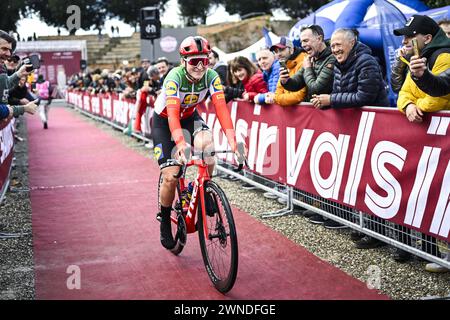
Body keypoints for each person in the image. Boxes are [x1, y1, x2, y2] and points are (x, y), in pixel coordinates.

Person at [152, 36, 245, 249]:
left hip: (190, 118)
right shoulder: (174, 77)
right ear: (184, 61)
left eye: (204, 60)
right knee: (171, 175)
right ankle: (165, 220)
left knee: (207, 145)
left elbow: (222, 110)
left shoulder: (211, 76)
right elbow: (173, 115)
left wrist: (233, 143)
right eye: (194, 61)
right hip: (166, 121)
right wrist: (181, 143)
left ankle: (201, 186)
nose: (200, 66)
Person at [310, 28, 389, 109]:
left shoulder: (366, 62)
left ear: (352, 43)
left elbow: (365, 97)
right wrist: (323, 103)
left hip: (373, 119)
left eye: (338, 45)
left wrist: (330, 99)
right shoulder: (337, 65)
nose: (335, 50)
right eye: (332, 46)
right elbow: (339, 96)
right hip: (351, 119)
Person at [394, 15, 450, 123]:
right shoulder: (416, 56)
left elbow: (439, 100)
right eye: (404, 36)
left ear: (428, 38)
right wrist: (408, 105)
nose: (404, 41)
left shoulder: (444, 56)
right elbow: (404, 92)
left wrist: (414, 105)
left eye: (409, 36)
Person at [280, 25, 335, 103]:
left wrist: (308, 68)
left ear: (319, 39)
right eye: (301, 42)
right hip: (314, 111)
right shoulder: (310, 58)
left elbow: (316, 89)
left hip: (331, 113)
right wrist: (286, 81)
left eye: (306, 41)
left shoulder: (332, 58)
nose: (302, 45)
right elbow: (296, 83)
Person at [270, 36, 307, 106]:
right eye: (276, 51)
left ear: (291, 50)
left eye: (281, 49)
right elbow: (278, 92)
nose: (278, 54)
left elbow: (300, 95)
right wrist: (277, 97)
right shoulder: (284, 65)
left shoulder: (304, 61)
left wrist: (277, 98)